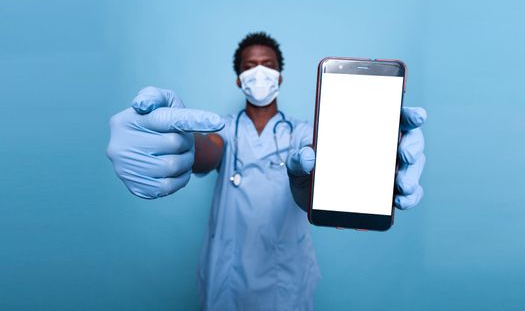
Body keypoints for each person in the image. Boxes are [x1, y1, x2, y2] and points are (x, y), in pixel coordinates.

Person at [106, 32, 427, 310]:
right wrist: (182, 142)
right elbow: (207, 150)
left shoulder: (301, 133)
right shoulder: (225, 130)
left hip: (285, 285)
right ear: (239, 80)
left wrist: (368, 145)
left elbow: (320, 163)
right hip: (225, 283)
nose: (259, 72)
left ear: (280, 77)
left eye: (268, 65)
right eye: (249, 66)